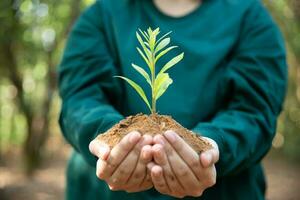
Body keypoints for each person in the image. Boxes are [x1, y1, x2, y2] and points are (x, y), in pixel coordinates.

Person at [58, 0, 287, 199]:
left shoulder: (250, 16)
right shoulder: (102, 14)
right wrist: (112, 139)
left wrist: (210, 147)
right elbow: (80, 98)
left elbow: (255, 109)